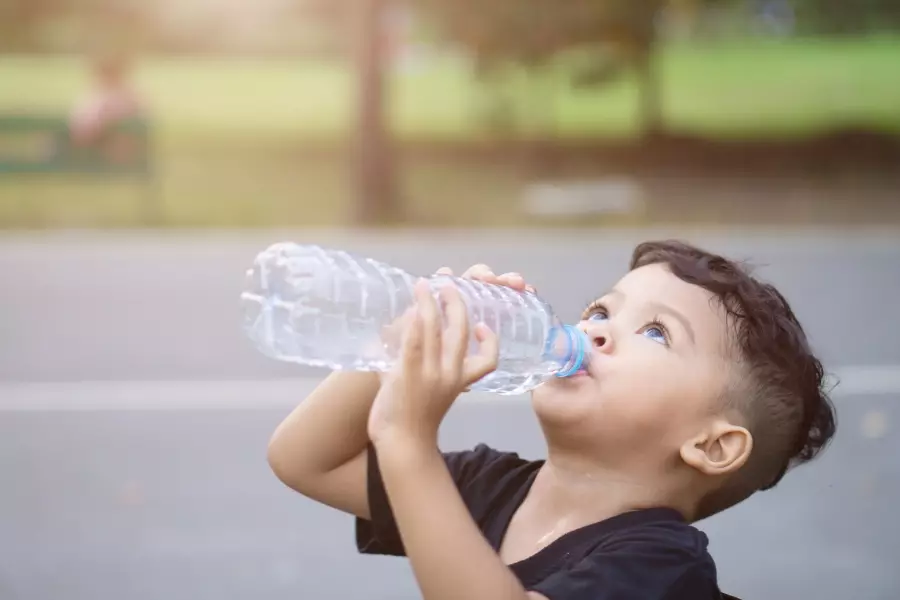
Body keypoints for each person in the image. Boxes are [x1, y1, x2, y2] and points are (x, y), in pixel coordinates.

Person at [266, 239, 837, 600]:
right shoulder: (490, 487)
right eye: (601, 309)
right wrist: (403, 337)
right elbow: (306, 460)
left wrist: (408, 439)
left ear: (710, 446)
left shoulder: (659, 566)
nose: (595, 328)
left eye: (656, 332)